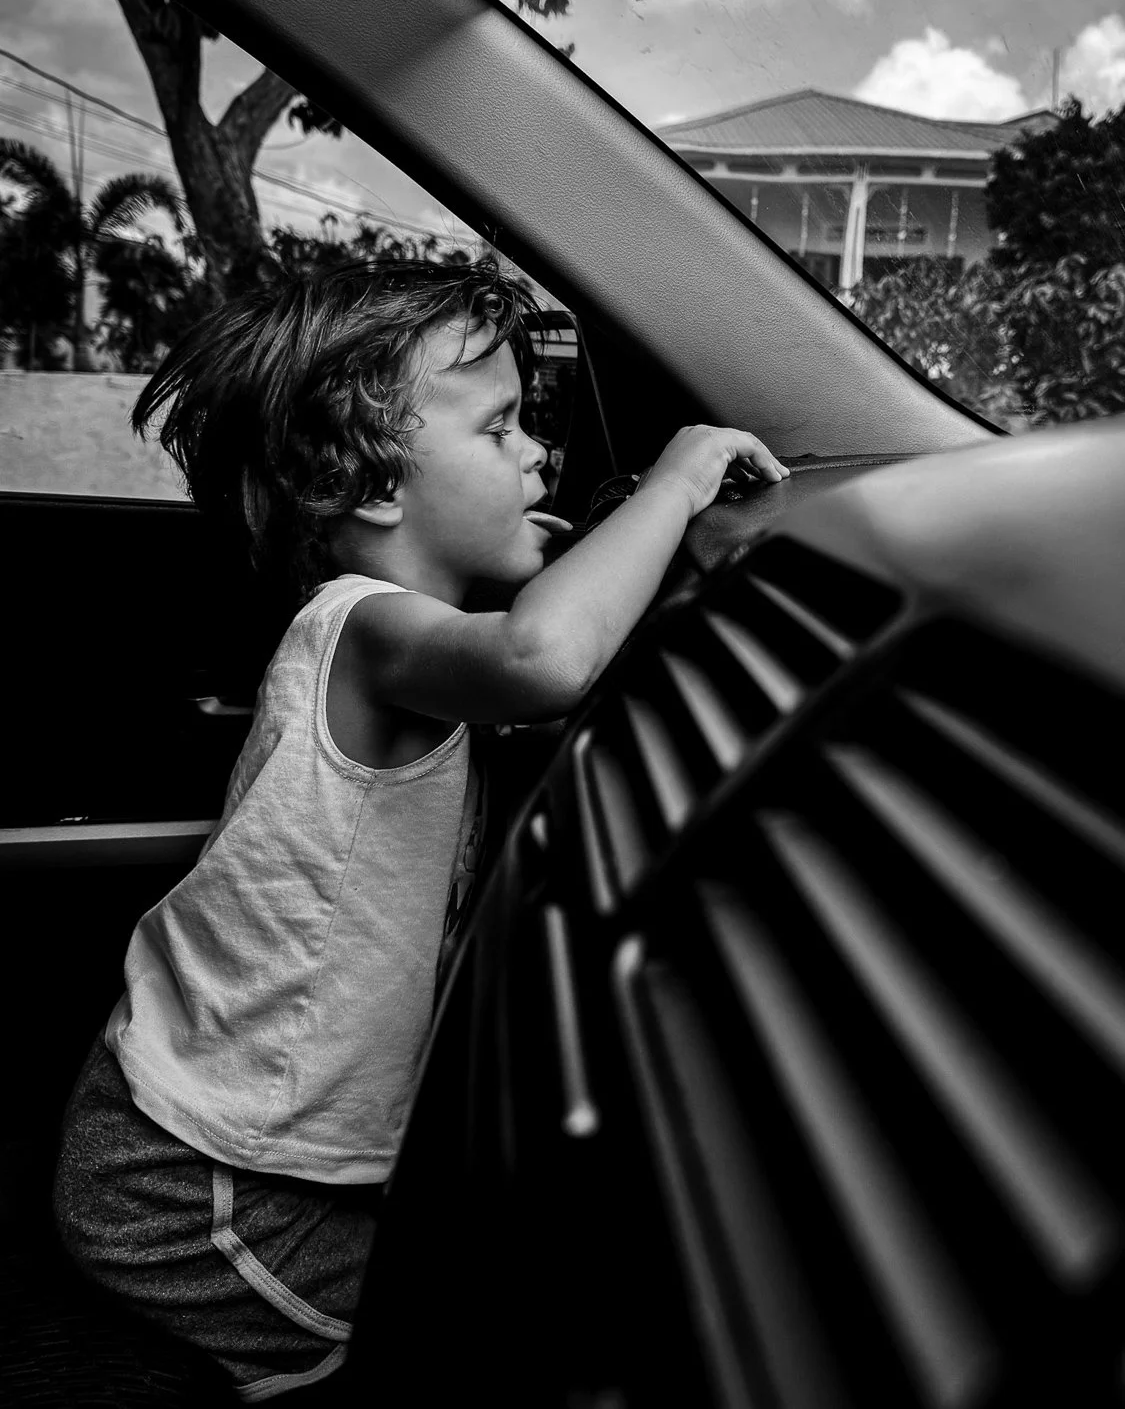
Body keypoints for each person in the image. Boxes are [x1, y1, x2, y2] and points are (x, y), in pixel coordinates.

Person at [52, 255, 789, 1401]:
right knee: (440, 1347)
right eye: (500, 430)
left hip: (234, 1144)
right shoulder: (366, 631)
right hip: (194, 1190)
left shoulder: (411, 646)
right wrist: (673, 490)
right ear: (376, 486)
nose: (538, 452)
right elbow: (544, 660)